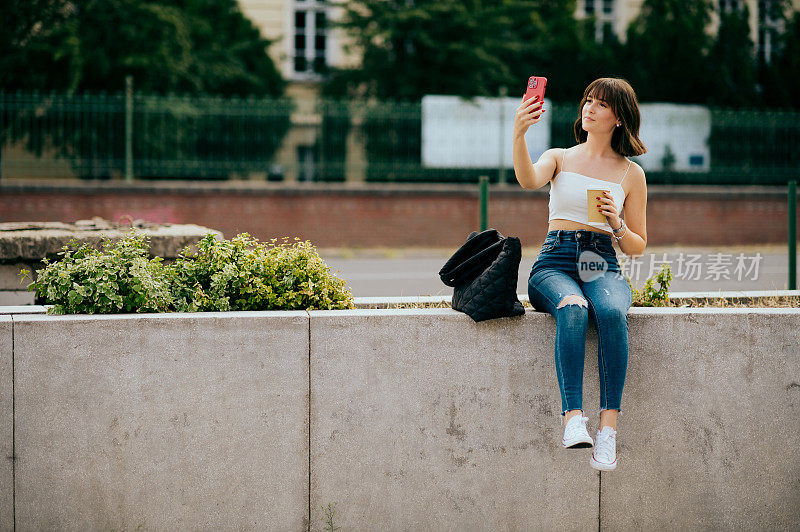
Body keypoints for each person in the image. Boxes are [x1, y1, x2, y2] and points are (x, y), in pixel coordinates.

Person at [512, 77, 648, 471]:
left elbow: (637, 244)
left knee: (609, 313)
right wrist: (519, 134)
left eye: (601, 104)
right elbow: (527, 179)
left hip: (599, 259)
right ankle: (573, 419)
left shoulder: (630, 175)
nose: (589, 107)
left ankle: (608, 431)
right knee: (572, 308)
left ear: (619, 118)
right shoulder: (560, 157)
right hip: (554, 261)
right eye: (587, 100)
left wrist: (615, 222)